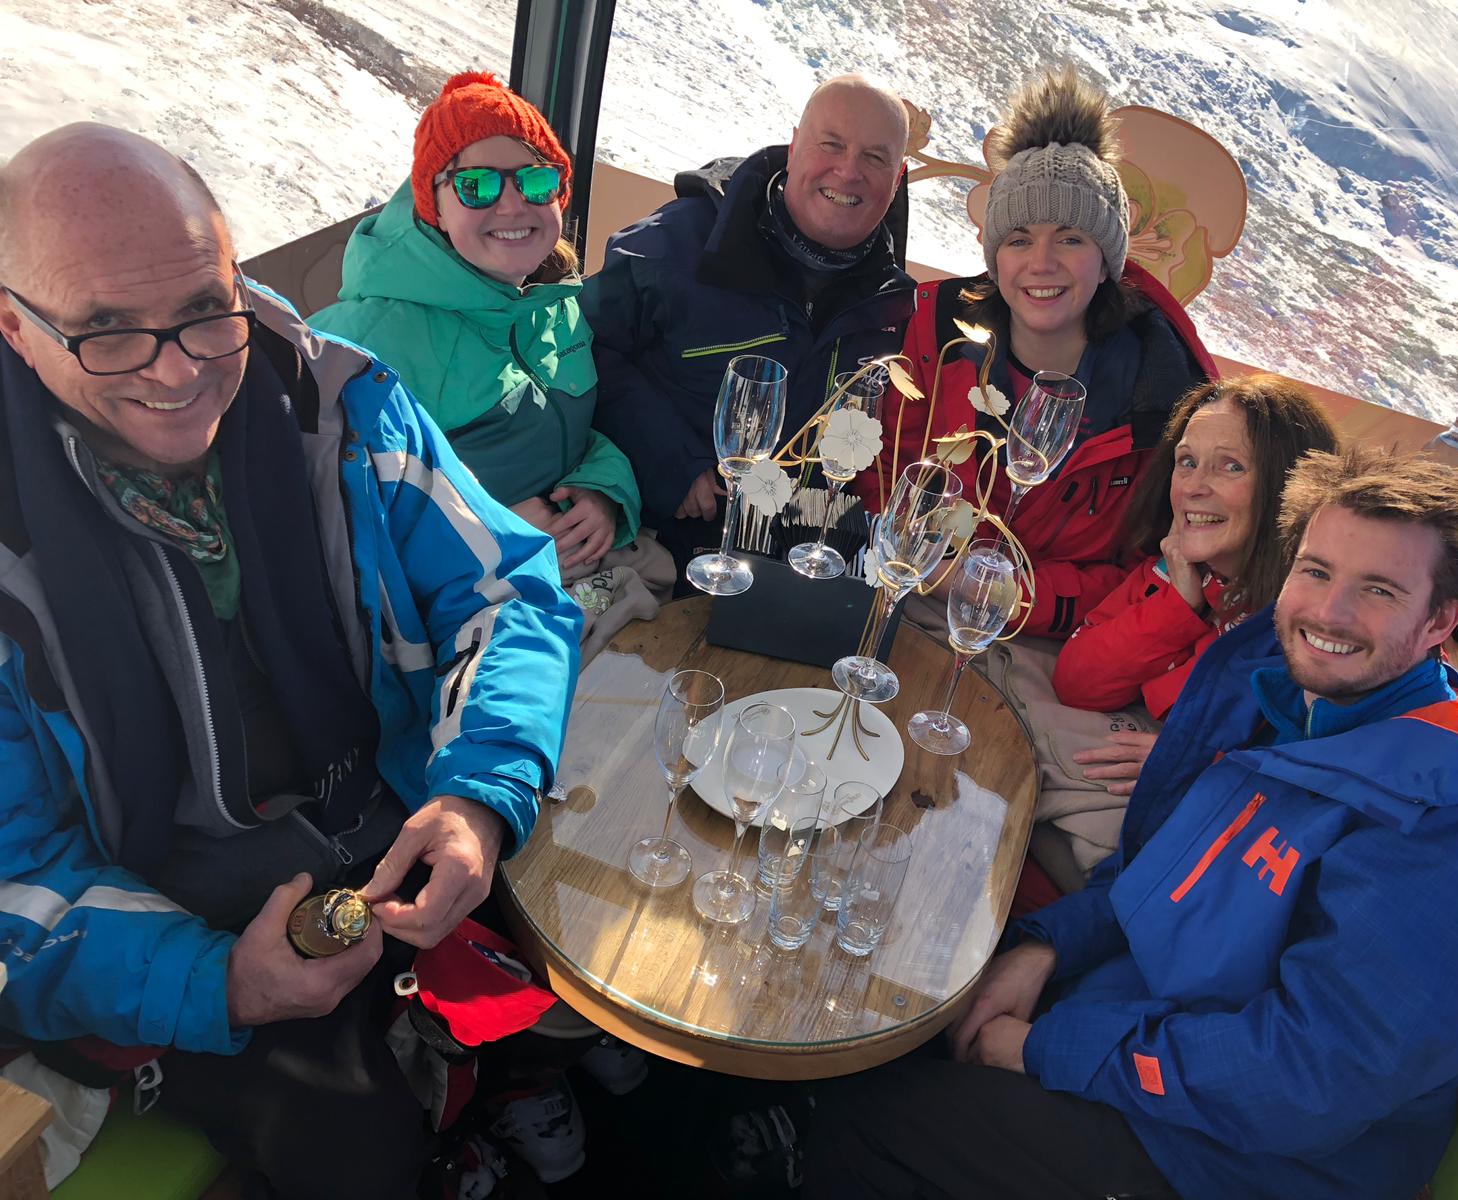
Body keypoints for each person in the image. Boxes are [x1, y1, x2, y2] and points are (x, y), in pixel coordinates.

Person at [0, 124, 582, 1198]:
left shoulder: (340, 403)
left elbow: (506, 586)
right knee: (351, 1143)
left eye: (201, 313)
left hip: (391, 815)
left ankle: (488, 1083)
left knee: (591, 943)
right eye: (109, 333)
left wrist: (479, 795)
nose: (178, 373)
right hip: (168, 912)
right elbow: (14, 878)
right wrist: (220, 986)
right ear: (15, 325)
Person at [805, 447, 1458, 1200]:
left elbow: (1301, 1083)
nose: (1330, 611)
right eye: (1316, 571)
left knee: (862, 1119)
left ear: (1440, 621)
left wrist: (1045, 1049)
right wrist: (1050, 946)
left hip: (1235, 1162)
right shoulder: (1291, 694)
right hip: (1151, 1032)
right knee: (862, 1002)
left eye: (1379, 589)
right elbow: (1165, 857)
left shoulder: (1448, 838)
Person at [873, 66, 1212, 637]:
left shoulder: (1161, 396)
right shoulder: (934, 334)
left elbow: (1151, 571)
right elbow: (884, 473)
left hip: (1060, 642)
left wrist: (998, 591)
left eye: (1072, 239)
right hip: (914, 601)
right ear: (994, 257)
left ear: (1108, 260)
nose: (1042, 263)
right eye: (1020, 239)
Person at [314, 73, 651, 614]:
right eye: (477, 185)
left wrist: (604, 492)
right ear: (435, 206)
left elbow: (570, 434)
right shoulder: (366, 343)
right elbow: (337, 524)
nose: (514, 205)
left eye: (535, 182)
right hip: (464, 609)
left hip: (570, 572)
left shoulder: (553, 300)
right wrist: (489, 531)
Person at [582, 73, 916, 580]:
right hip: (655, 536)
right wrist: (669, 460)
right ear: (794, 144)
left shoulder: (895, 311)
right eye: (831, 144)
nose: (848, 171)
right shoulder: (682, 242)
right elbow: (583, 347)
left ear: (898, 178)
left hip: (787, 570)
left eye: (875, 157)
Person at [1058, 374, 1341, 798]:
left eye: (1231, 466)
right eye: (1187, 461)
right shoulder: (1176, 570)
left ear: (1288, 486)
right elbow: (1076, 683)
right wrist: (1179, 606)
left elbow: (1320, 765)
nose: (1193, 486)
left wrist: (1192, 760)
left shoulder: (1312, 620)